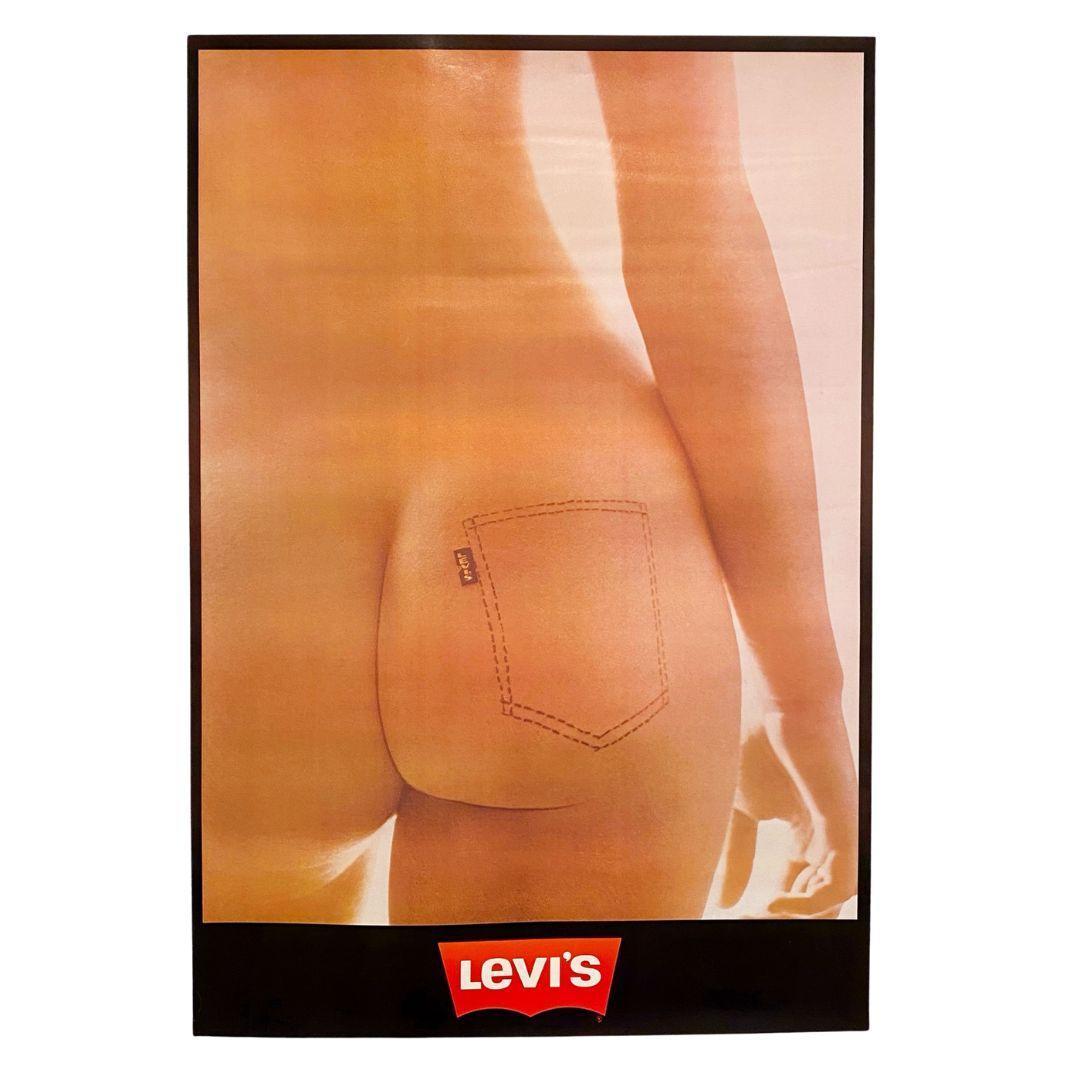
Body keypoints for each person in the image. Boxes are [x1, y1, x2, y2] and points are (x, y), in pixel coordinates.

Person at [198, 48, 858, 924]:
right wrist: (802, 696)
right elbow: (694, 229)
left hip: (247, 529)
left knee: (265, 1006)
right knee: (558, 1017)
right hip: (570, 517)